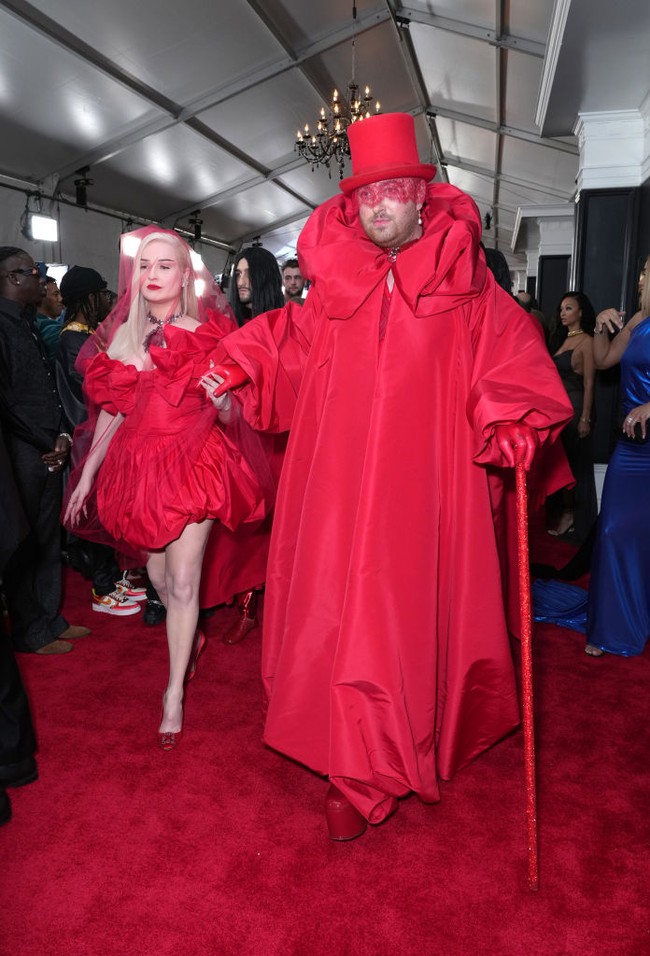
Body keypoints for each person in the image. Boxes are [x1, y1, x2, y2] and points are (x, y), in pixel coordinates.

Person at [209, 113, 573, 840]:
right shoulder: (333, 288)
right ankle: (355, 763)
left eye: (393, 191)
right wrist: (240, 361)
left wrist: (513, 418)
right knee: (341, 613)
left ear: (421, 198)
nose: (378, 207)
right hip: (340, 492)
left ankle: (382, 759)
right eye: (365, 195)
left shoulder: (469, 287)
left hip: (425, 493)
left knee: (403, 618)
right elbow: (289, 344)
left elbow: (513, 361)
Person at [64, 227, 272, 748]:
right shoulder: (123, 338)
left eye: (164, 265)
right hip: (140, 465)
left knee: (182, 583)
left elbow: (232, 416)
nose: (153, 275)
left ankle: (173, 692)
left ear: (184, 276)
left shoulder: (206, 335)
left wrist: (222, 403)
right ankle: (191, 633)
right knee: (157, 576)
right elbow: (113, 410)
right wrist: (86, 474)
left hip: (195, 462)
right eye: (145, 266)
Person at [0, 246, 90, 655]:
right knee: (23, 543)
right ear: (13, 278)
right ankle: (30, 631)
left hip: (48, 447)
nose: (42, 278)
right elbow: (6, 402)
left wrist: (61, 437)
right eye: (33, 272)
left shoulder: (30, 323)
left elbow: (48, 391)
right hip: (20, 452)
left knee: (48, 538)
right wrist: (43, 441)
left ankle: (51, 619)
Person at [57, 265, 144, 617]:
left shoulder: (89, 335)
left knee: (107, 512)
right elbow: (88, 396)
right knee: (95, 513)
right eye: (102, 294)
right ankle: (103, 588)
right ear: (88, 298)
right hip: (89, 437)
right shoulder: (72, 341)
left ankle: (111, 578)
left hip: (103, 435)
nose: (108, 300)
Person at [214, 245, 285, 645]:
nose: (241, 282)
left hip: (280, 440)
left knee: (281, 526)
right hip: (240, 437)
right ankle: (246, 606)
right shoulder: (230, 327)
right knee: (248, 525)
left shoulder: (287, 322)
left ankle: (279, 602)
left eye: (247, 274)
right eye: (236, 274)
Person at [585, 254, 650, 658]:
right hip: (631, 449)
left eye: (646, 272)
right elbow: (603, 360)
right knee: (611, 531)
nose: (640, 278)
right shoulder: (639, 321)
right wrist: (598, 327)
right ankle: (610, 625)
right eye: (641, 272)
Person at [547, 292, 598, 541]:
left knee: (571, 465)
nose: (562, 313)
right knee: (561, 464)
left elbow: (589, 383)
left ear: (580, 312)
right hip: (559, 411)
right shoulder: (562, 339)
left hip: (575, 410)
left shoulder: (587, 341)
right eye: (561, 309)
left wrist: (585, 418)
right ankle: (565, 513)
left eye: (568, 308)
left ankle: (571, 516)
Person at [229, 246, 284, 327]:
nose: (240, 283)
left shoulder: (283, 323)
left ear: (267, 278)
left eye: (249, 274)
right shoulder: (226, 321)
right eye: (238, 274)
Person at [34, 276, 64, 364]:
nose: (61, 299)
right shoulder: (52, 329)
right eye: (55, 294)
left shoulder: (32, 321)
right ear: (42, 296)